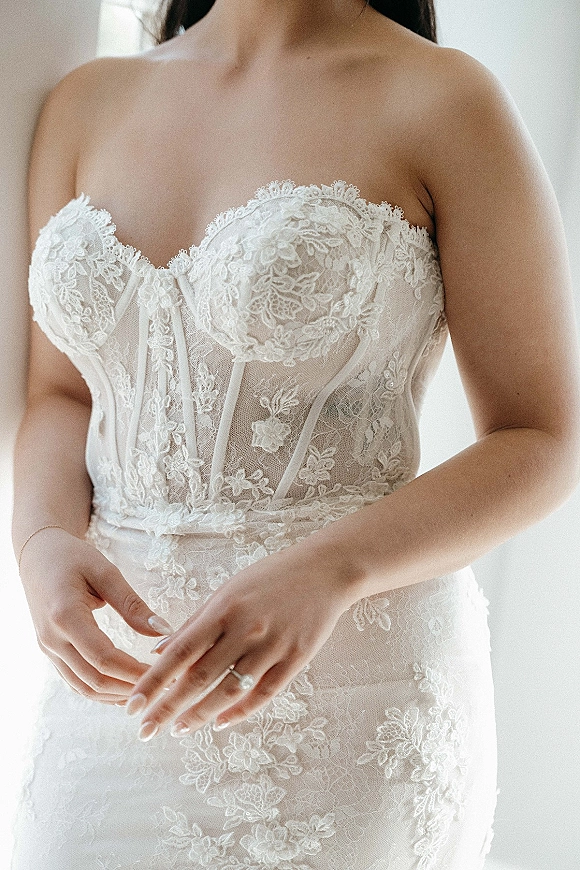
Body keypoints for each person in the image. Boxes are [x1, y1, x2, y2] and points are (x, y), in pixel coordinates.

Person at [10, 0, 580, 867]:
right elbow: (60, 394)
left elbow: (541, 437)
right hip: (111, 702)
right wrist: (42, 541)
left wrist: (330, 568)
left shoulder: (446, 100)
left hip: (351, 700)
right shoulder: (85, 101)